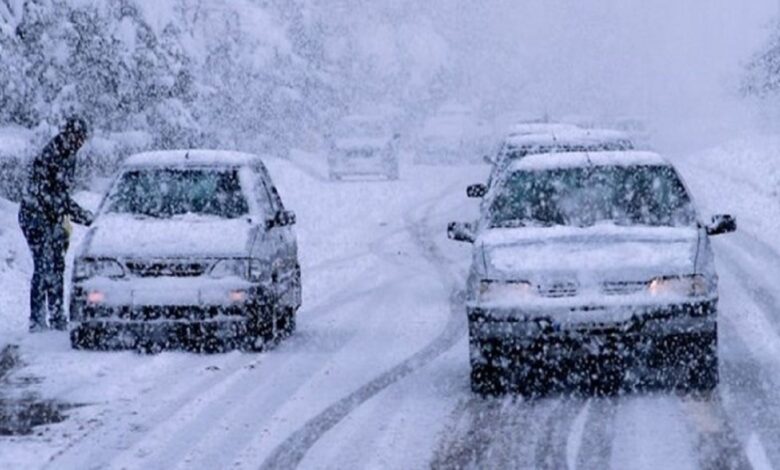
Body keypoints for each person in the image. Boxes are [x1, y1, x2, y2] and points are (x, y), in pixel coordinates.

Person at [18, 116, 94, 332]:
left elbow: (60, 195)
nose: (80, 143)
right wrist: (82, 216)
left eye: (83, 139)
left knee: (57, 265)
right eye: (78, 138)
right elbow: (53, 196)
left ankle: (58, 316)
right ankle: (37, 320)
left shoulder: (69, 154)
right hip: (35, 216)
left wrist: (71, 215)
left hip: (53, 216)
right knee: (43, 265)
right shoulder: (52, 154)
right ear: (69, 135)